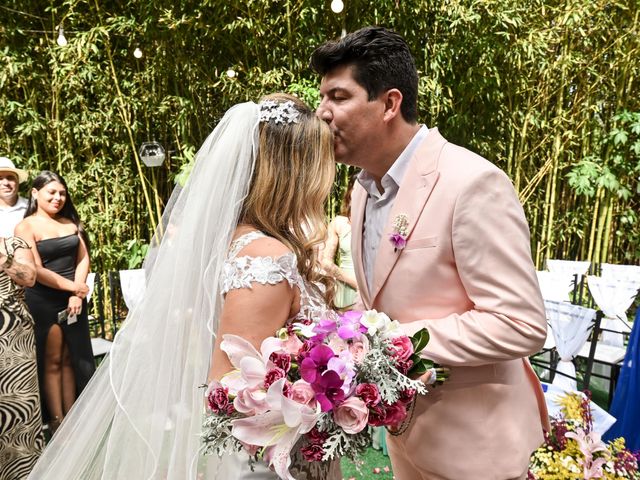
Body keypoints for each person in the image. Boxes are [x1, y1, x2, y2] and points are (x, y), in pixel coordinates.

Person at [29, 94, 339, 479]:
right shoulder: (266, 258)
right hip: (270, 463)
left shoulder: (241, 241)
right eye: (322, 165)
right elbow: (230, 393)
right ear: (295, 171)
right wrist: (334, 392)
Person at [312, 27, 548, 480]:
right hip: (407, 439)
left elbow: (521, 323)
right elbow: (382, 299)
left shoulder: (471, 183)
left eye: (338, 97)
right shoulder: (362, 191)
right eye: (323, 98)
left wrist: (393, 343)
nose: (323, 113)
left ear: (389, 103)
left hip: (476, 449)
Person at [15, 171, 94, 435]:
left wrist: (76, 294)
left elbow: (83, 259)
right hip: (44, 299)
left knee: (73, 357)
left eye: (62, 193)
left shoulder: (69, 222)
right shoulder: (26, 226)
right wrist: (73, 287)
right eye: (52, 192)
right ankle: (57, 420)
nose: (58, 198)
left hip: (75, 301)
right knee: (52, 360)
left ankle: (74, 416)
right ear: (35, 193)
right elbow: (34, 269)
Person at [0, 234, 44, 480]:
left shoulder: (15, 244)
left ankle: (25, 474)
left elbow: (30, 277)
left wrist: (4, 261)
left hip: (15, 338)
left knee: (20, 410)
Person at [320, 174, 358, 309]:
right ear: (350, 193)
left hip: (374, 289)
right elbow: (325, 262)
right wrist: (355, 283)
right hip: (346, 290)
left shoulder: (378, 221)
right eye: (357, 187)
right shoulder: (339, 223)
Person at [0, 157, 29, 237]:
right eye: (0, 178)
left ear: (17, 181)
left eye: (10, 178)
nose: (6, 183)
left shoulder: (31, 207)